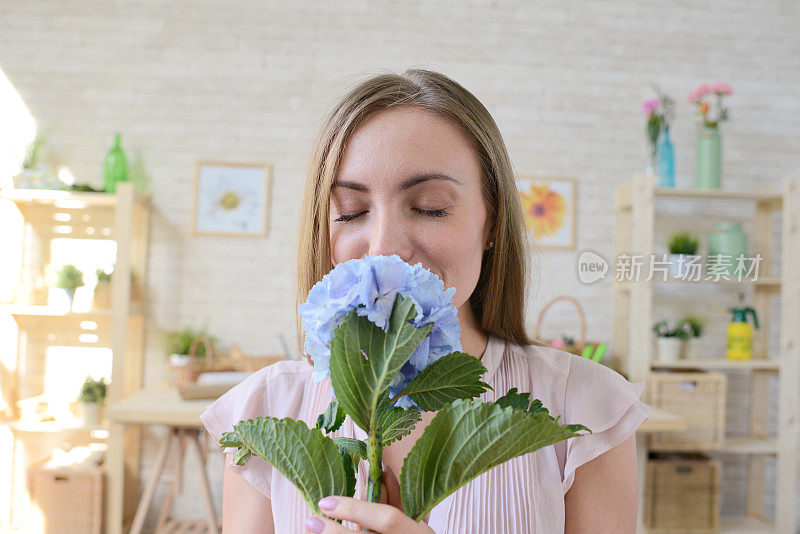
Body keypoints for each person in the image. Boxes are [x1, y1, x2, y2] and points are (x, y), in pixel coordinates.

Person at [201, 68, 648, 533]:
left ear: (491, 220)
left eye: (430, 207)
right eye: (351, 212)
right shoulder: (267, 411)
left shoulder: (585, 408)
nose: (383, 247)